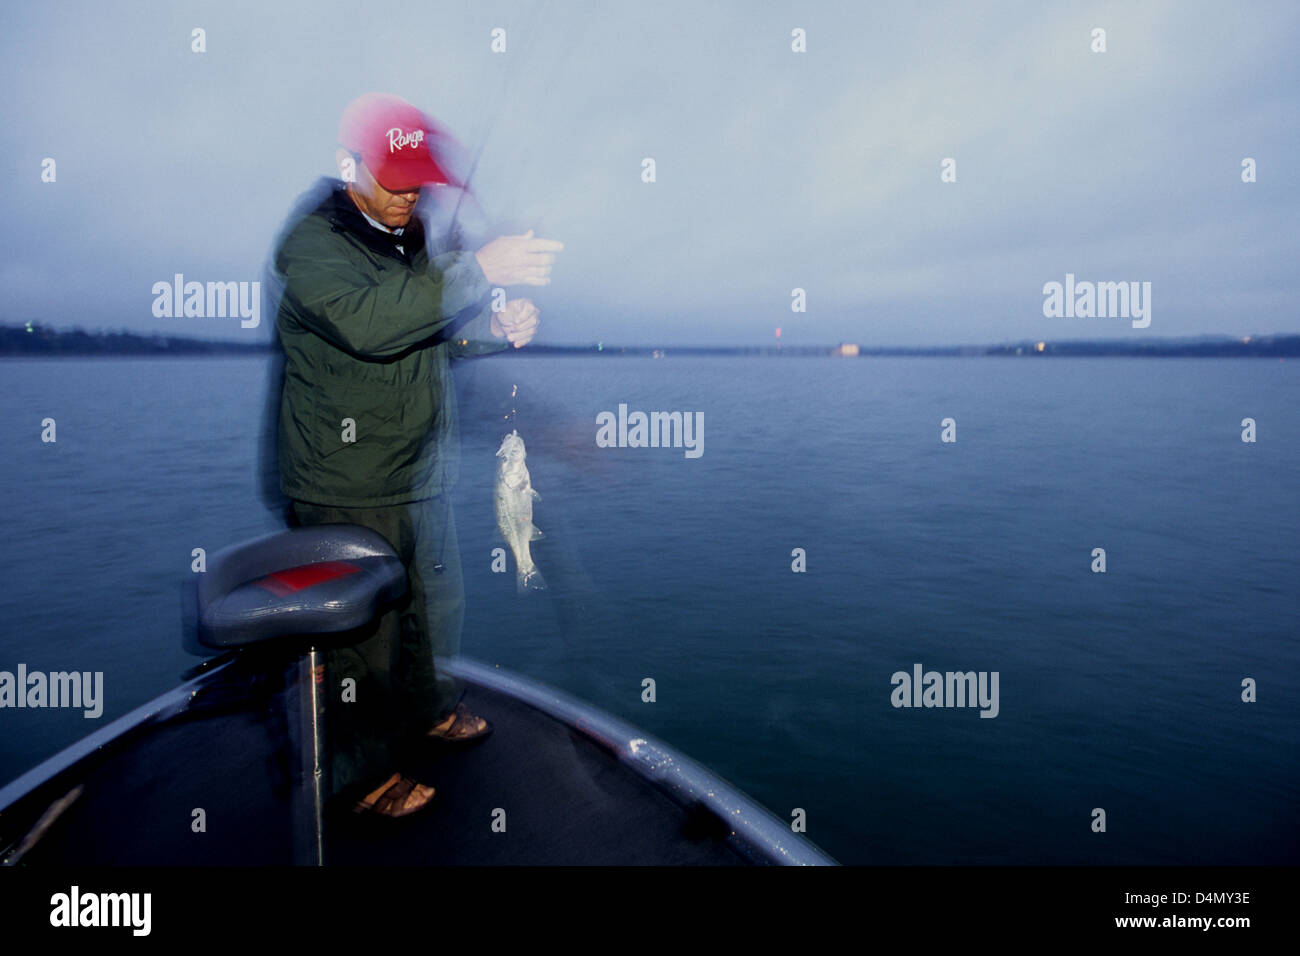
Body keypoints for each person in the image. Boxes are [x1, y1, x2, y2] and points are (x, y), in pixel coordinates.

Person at [269, 92, 562, 818]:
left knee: (429, 610)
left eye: (417, 178)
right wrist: (479, 272)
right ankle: (357, 776)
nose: (406, 192)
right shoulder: (312, 244)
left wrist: (497, 328)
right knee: (358, 637)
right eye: (391, 175)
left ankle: (426, 707)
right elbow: (373, 324)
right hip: (344, 479)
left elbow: (428, 332)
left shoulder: (415, 238)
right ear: (350, 166)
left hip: (414, 470)